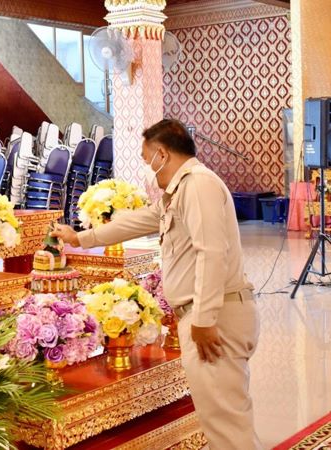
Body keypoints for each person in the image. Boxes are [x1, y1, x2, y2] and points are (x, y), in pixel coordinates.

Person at [52, 119, 261, 450]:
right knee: (221, 419)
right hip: (204, 314)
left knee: (227, 424)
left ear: (162, 154)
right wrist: (81, 237)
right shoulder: (177, 193)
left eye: (146, 156)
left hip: (214, 316)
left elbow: (212, 253)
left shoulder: (198, 185)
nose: (146, 165)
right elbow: (139, 221)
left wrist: (204, 319)